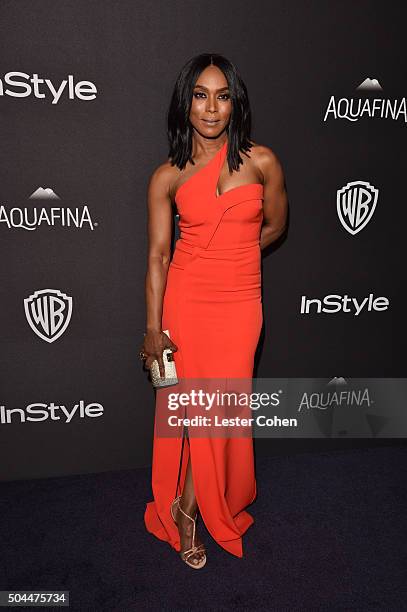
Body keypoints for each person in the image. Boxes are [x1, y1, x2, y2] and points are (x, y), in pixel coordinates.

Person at [140, 53, 288, 569]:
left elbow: (273, 226)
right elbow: (159, 255)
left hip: (241, 303)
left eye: (221, 96)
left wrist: (236, 255)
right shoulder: (167, 176)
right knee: (200, 410)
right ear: (186, 105)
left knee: (220, 409)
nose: (211, 107)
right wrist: (154, 327)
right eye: (200, 95)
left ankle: (189, 506)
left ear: (234, 104)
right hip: (187, 300)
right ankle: (185, 511)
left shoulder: (262, 161)